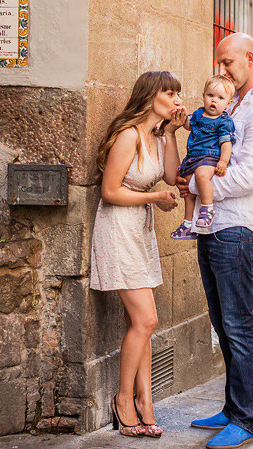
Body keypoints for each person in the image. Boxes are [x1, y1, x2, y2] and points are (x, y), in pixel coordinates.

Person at [179, 33, 253, 449]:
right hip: (214, 227)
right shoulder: (234, 103)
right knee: (224, 325)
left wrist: (198, 189)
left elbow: (249, 176)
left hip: (237, 230)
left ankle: (245, 419)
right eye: (218, 64)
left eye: (228, 62)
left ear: (250, 58)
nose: (221, 70)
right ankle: (230, 408)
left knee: (239, 327)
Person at [90, 71, 187, 438]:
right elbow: (110, 191)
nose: (177, 98)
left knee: (142, 324)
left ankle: (145, 401)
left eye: (179, 93)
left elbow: (173, 176)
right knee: (146, 320)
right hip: (118, 228)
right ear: (150, 96)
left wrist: (175, 133)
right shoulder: (129, 135)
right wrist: (153, 199)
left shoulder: (158, 136)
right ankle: (123, 399)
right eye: (170, 92)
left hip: (141, 232)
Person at [170, 75, 236, 240]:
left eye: (221, 98)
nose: (214, 101)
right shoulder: (199, 114)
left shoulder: (224, 122)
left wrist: (223, 161)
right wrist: (182, 117)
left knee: (201, 175)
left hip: (210, 158)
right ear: (203, 95)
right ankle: (188, 223)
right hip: (193, 158)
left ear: (229, 103)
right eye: (210, 95)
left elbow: (226, 144)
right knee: (188, 189)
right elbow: (187, 125)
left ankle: (207, 209)